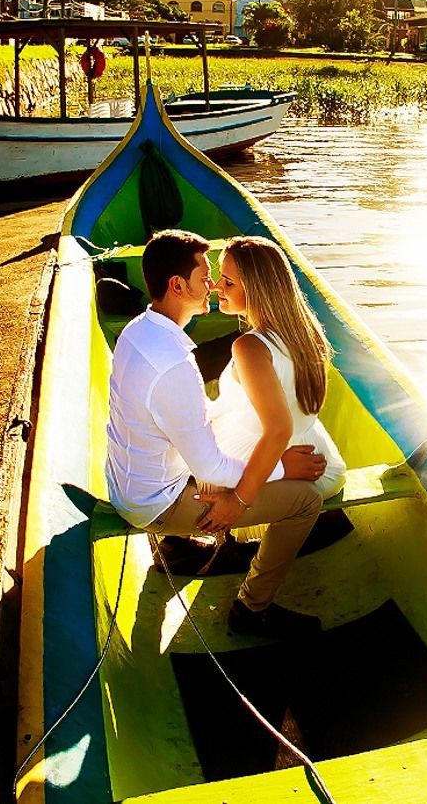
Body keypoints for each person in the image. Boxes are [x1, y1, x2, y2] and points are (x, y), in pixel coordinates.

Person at [105, 229, 329, 639]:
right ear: (178, 285)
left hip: (129, 480)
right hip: (154, 502)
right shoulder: (176, 363)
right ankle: (251, 608)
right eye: (206, 276)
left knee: (217, 442)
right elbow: (208, 463)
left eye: (221, 279)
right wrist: (277, 472)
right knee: (305, 501)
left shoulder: (138, 329)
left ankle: (173, 547)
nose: (212, 285)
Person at [210, 236, 347, 501]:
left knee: (176, 461)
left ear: (256, 290)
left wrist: (238, 500)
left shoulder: (249, 347)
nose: (217, 288)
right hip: (321, 461)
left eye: (228, 282)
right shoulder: (308, 334)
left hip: (283, 464)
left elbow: (278, 430)